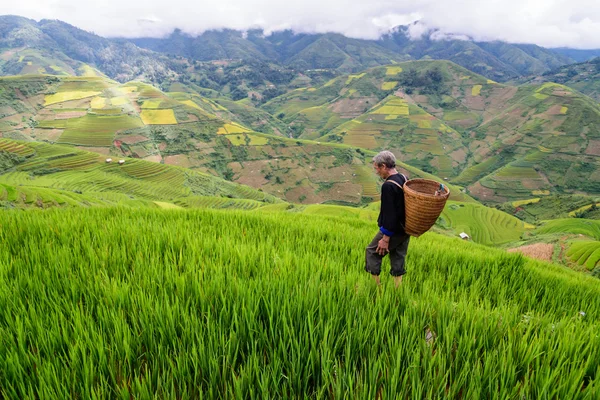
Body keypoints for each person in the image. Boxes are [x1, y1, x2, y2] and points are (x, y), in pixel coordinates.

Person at [364, 151, 410, 288]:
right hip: (405, 227)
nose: (377, 172)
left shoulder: (388, 186)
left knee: (372, 252)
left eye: (377, 168)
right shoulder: (403, 177)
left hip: (394, 229)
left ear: (383, 166)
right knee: (397, 255)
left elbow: (391, 215)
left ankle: (375, 289)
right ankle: (397, 290)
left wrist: (385, 238)